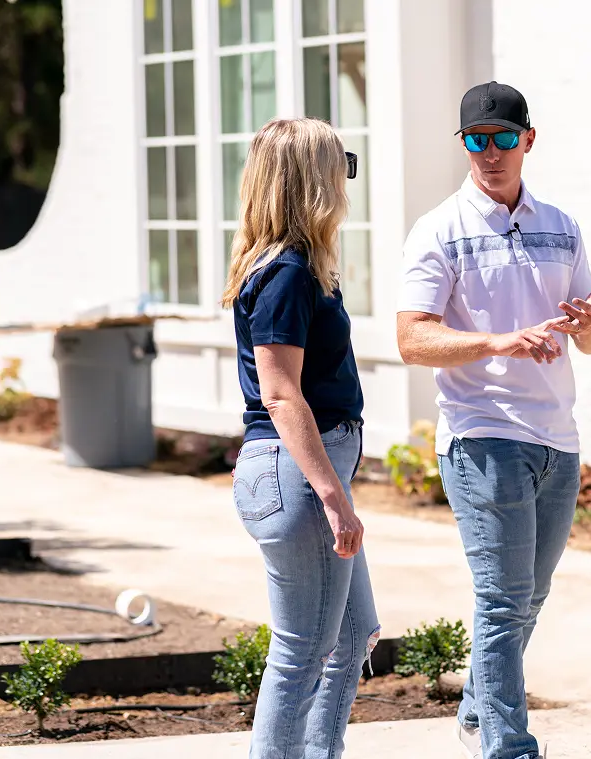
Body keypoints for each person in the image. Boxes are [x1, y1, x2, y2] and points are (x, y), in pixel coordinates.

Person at [396, 81, 591, 759]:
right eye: (475, 141)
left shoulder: (562, 225)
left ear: (528, 139)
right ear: (464, 146)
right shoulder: (439, 229)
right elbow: (411, 338)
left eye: (501, 138)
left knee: (528, 597)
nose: (489, 153)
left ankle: (474, 710)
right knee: (500, 599)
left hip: (557, 439)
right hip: (483, 436)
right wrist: (496, 341)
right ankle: (507, 746)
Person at [221, 117, 378, 759]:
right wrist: (333, 496)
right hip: (297, 475)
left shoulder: (288, 267)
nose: (347, 178)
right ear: (312, 180)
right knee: (301, 654)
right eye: (340, 163)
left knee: (353, 635)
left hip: (296, 472)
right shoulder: (286, 273)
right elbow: (281, 394)